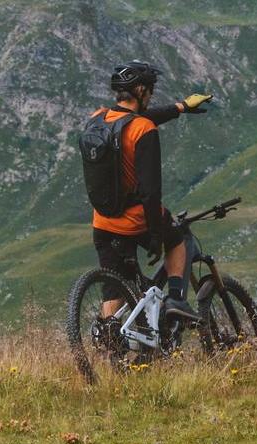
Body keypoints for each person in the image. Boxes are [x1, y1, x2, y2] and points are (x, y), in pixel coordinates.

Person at [85, 60, 215, 337]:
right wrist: (156, 234)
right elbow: (150, 192)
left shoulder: (97, 118)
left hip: (102, 222)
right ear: (141, 90)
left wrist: (180, 108)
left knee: (114, 286)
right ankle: (177, 301)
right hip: (133, 221)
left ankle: (111, 342)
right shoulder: (145, 131)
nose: (152, 95)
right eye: (151, 90)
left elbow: (129, 122)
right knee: (179, 237)